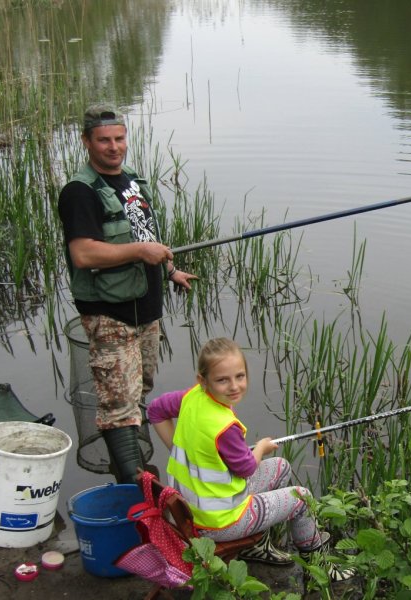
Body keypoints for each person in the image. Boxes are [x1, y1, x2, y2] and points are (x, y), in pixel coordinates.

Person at [57, 103, 197, 484]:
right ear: (86, 142)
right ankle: (136, 488)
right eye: (104, 140)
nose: (114, 147)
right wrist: (139, 252)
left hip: (146, 311)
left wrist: (169, 270)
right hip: (110, 315)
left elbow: (144, 234)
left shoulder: (131, 180)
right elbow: (83, 254)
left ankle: (133, 477)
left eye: (119, 138)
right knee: (119, 405)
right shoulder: (80, 192)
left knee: (138, 392)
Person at [147, 337, 355, 580]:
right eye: (222, 380)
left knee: (281, 466)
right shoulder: (224, 427)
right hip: (220, 522)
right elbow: (246, 468)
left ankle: (254, 548)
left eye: (240, 376)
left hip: (194, 509)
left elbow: (155, 410)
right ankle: (320, 570)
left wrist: (179, 450)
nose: (234, 386)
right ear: (203, 380)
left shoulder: (191, 397)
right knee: (303, 498)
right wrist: (261, 448)